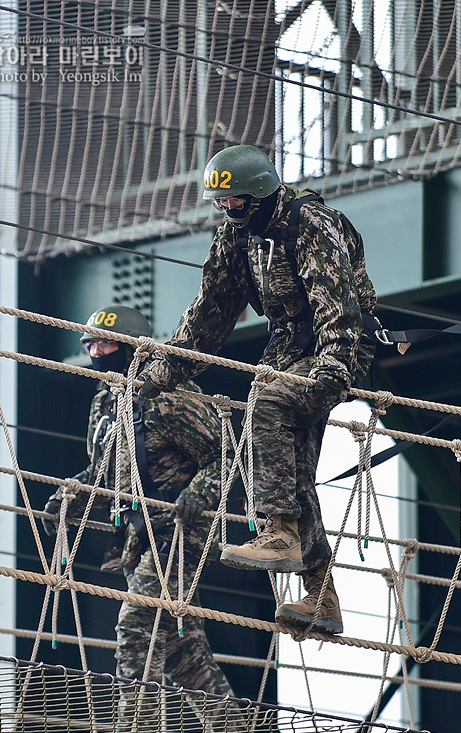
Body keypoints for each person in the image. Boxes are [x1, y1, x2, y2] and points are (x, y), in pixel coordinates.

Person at [138, 145, 378, 638]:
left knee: (266, 401)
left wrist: (334, 365)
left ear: (262, 194)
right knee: (288, 467)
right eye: (221, 203)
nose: (227, 210)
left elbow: (337, 301)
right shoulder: (236, 238)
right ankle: (322, 595)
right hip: (286, 350)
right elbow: (212, 311)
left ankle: (281, 533)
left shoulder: (310, 223)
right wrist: (167, 367)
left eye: (237, 202)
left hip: (336, 347)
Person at [42, 304, 270, 733]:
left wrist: (200, 494)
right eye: (89, 345)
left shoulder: (170, 398)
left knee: (135, 621)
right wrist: (72, 493)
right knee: (182, 650)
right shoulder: (106, 405)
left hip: (179, 532)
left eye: (104, 344)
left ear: (132, 348)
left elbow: (224, 453)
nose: (95, 353)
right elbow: (104, 470)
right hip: (136, 537)